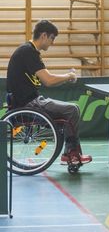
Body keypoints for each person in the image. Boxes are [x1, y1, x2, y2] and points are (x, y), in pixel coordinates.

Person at [6, 20, 92, 165]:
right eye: (52, 38)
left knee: (71, 110)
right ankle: (71, 154)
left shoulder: (28, 51)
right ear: (44, 35)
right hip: (29, 104)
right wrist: (69, 76)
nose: (53, 42)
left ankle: (70, 153)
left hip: (28, 101)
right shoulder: (29, 52)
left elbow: (47, 79)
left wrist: (65, 77)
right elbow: (49, 80)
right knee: (72, 110)